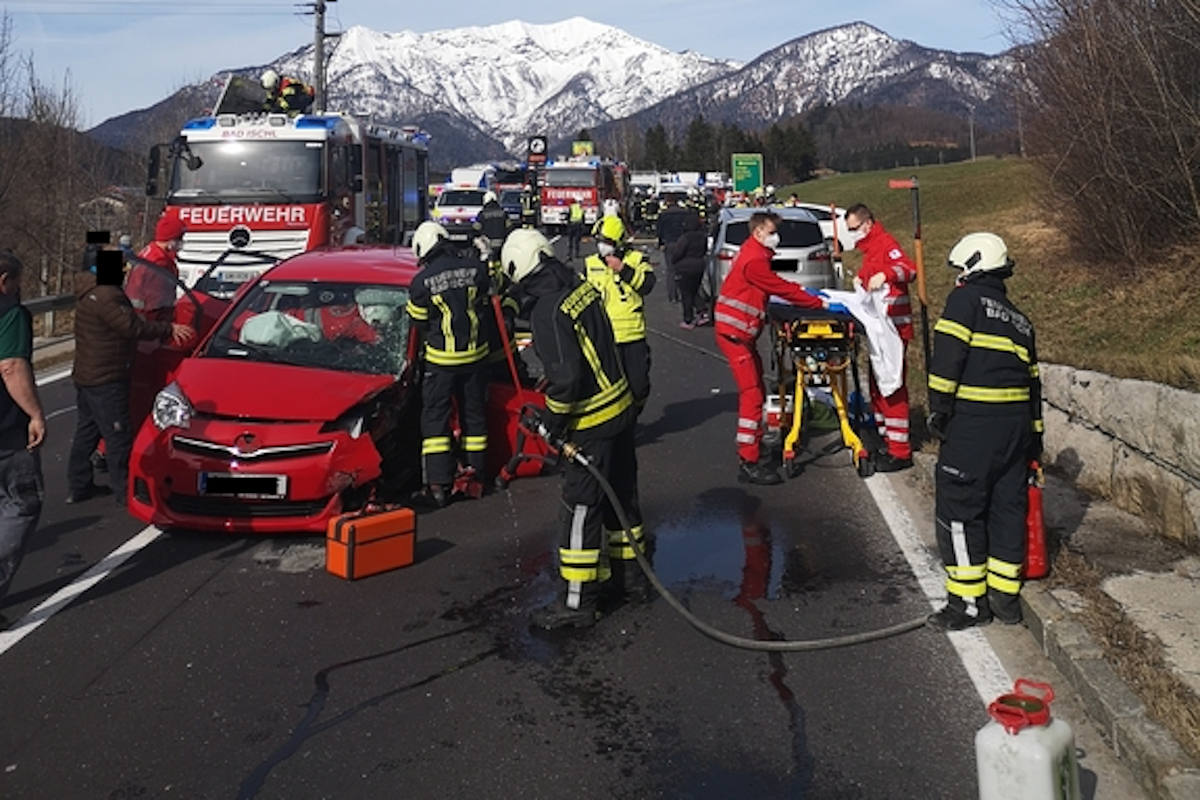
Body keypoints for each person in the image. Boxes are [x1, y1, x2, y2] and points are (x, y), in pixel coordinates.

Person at [500, 229, 645, 629]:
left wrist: (551, 425)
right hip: (620, 410)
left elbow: (565, 381)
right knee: (622, 496)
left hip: (592, 422)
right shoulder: (579, 287)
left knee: (580, 510)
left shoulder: (547, 311)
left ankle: (577, 603)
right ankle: (630, 579)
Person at [925, 233, 1042, 631]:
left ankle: (968, 605)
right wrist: (1035, 445)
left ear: (973, 265)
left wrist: (938, 413)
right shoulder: (1021, 321)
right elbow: (1034, 389)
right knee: (1007, 510)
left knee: (960, 512)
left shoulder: (965, 302)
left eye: (960, 269)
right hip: (1016, 435)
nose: (958, 277)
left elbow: (946, 363)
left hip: (973, 428)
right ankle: (1004, 599)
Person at [714, 211, 839, 485]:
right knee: (752, 395)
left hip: (739, 332)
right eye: (772, 232)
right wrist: (818, 303)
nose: (776, 238)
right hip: (735, 333)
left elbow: (770, 288)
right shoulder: (754, 260)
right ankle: (748, 460)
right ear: (758, 232)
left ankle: (753, 447)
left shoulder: (752, 252)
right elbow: (779, 287)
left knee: (755, 388)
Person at [68, 249, 194, 505]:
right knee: (118, 435)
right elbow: (131, 327)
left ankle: (79, 484)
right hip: (106, 376)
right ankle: (125, 490)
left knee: (87, 431)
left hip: (87, 374)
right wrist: (168, 328)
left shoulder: (89, 291)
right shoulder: (107, 295)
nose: (125, 273)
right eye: (121, 268)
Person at [405, 221, 492, 508]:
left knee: (435, 420)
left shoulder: (421, 282)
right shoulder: (475, 269)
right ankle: (476, 475)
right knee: (474, 417)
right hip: (475, 357)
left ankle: (439, 484)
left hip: (441, 361)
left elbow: (417, 323)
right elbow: (488, 298)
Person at [843, 203, 918, 472]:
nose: (852, 235)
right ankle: (885, 438)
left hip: (893, 330)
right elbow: (867, 280)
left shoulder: (885, 244)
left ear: (867, 224)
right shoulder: (870, 250)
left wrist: (884, 274)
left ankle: (900, 450)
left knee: (892, 385)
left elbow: (908, 269)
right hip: (878, 329)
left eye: (854, 229)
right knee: (877, 385)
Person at [0, 251, 45, 613]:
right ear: (4, 282)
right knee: (21, 504)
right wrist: (35, 413)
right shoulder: (10, 313)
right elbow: (11, 366)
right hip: (6, 429)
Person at [583, 216, 655, 416]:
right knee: (608, 390)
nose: (602, 246)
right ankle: (620, 425)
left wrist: (623, 270)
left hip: (632, 336)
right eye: (600, 241)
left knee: (639, 386)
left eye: (607, 242)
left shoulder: (636, 259)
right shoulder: (590, 264)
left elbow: (648, 285)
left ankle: (633, 416)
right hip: (603, 337)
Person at [125, 214, 186, 323]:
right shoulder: (159, 262)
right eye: (179, 238)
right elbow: (157, 301)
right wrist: (165, 327)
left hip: (139, 316)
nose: (181, 242)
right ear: (170, 239)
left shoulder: (150, 251)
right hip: (149, 320)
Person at [668, 214, 710, 329]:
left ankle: (688, 320)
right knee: (694, 290)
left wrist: (674, 261)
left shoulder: (685, 238)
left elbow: (678, 253)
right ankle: (702, 312)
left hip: (684, 267)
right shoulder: (703, 237)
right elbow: (705, 250)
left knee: (686, 293)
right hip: (699, 266)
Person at [656, 197, 694, 303]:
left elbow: (659, 231)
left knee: (671, 270)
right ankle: (685, 294)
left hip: (669, 243)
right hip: (683, 242)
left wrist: (660, 243)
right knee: (684, 269)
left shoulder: (663, 214)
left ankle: (672, 296)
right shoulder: (684, 213)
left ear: (668, 203)